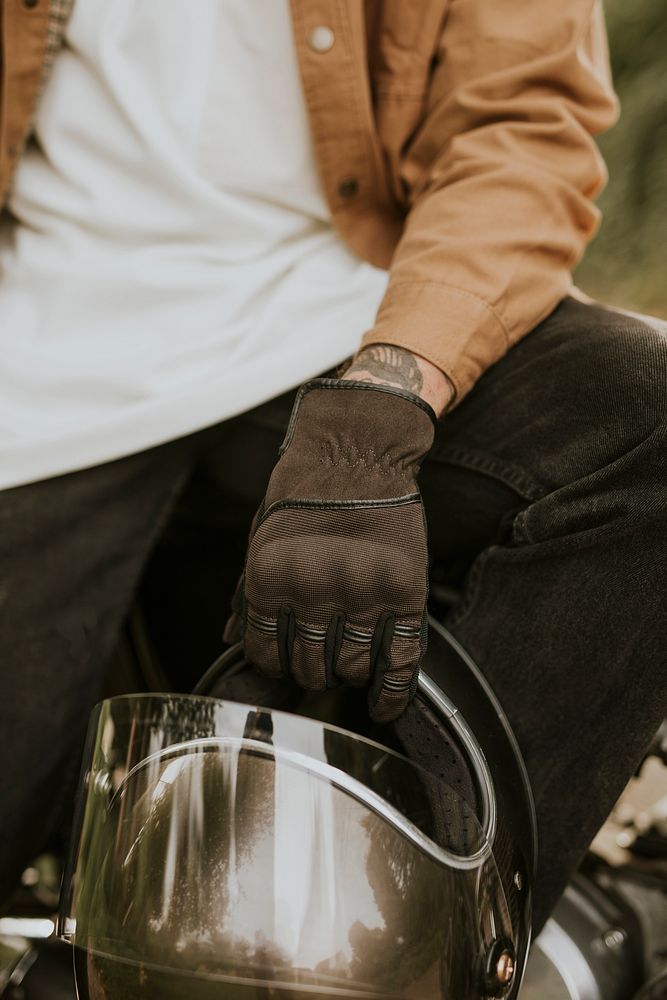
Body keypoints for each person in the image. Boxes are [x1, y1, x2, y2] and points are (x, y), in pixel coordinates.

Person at [0, 0, 664, 945]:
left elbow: (518, 124)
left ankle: (407, 946)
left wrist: (377, 411)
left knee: (644, 415)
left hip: (343, 322)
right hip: (34, 375)